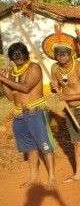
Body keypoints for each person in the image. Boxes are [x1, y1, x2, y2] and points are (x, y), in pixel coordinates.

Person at [43, 31, 80, 190]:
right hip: (70, 111)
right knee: (76, 144)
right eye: (58, 54)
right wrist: (54, 89)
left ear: (71, 54)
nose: (61, 56)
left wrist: (67, 98)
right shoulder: (54, 68)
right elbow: (57, 91)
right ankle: (79, 173)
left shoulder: (79, 67)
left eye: (64, 53)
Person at [0, 42, 57, 189]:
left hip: (36, 111)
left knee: (45, 146)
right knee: (30, 147)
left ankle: (51, 177)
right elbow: (9, 97)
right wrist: (3, 79)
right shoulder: (13, 72)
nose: (17, 57)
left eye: (20, 53)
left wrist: (4, 79)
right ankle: (34, 177)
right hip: (19, 115)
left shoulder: (34, 67)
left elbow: (26, 88)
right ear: (11, 57)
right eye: (14, 54)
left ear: (26, 54)